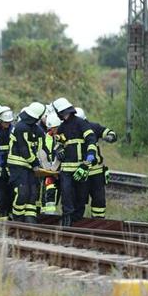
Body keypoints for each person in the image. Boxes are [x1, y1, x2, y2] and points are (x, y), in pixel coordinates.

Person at [51, 97, 98, 227]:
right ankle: (67, 219)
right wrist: (58, 149)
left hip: (81, 167)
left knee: (81, 195)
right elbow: (57, 144)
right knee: (66, 194)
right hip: (66, 169)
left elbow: (91, 140)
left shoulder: (81, 124)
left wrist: (88, 159)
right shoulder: (61, 128)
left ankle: (78, 221)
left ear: (60, 112)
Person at [7, 102, 46, 223]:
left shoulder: (38, 130)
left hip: (30, 167)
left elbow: (41, 148)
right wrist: (35, 164)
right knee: (22, 191)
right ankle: (17, 218)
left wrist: (44, 164)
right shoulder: (20, 127)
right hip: (17, 165)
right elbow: (25, 149)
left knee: (33, 192)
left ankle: (30, 218)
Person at [75, 108, 117, 219]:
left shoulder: (93, 127)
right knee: (79, 200)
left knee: (99, 199)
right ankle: (77, 223)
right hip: (80, 171)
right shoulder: (70, 129)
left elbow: (109, 132)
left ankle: (99, 222)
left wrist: (110, 137)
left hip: (96, 172)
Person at [38, 111, 62, 214]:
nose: (54, 131)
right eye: (52, 129)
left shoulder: (62, 137)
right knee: (49, 191)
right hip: (49, 171)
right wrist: (49, 169)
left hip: (61, 171)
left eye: (55, 128)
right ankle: (48, 214)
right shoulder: (45, 138)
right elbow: (42, 154)